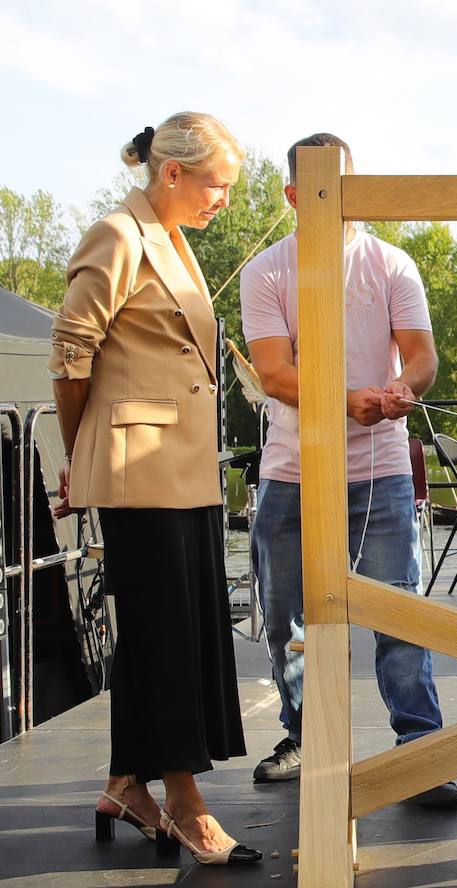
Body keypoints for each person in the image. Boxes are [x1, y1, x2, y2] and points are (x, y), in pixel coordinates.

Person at [50, 112, 261, 866]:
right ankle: (186, 804)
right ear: (172, 173)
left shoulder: (171, 242)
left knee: (157, 634)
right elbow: (72, 355)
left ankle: (125, 783)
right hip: (141, 470)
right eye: (218, 186)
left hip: (186, 467)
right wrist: (80, 453)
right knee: (170, 637)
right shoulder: (119, 234)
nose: (224, 202)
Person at [240, 133, 457, 809]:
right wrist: (345, 399)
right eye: (319, 186)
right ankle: (305, 737)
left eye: (346, 185)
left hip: (382, 469)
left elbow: (421, 355)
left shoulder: (392, 264)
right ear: (292, 196)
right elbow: (274, 372)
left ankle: (419, 750)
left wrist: (405, 392)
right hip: (291, 471)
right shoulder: (266, 271)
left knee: (400, 614)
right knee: (286, 623)